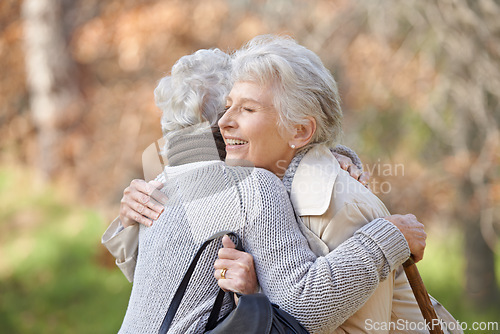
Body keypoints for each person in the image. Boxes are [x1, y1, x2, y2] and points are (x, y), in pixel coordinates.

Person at [103, 48, 425, 334]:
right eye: (230, 106)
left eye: (247, 108)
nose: (231, 120)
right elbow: (304, 309)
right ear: (218, 124)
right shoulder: (250, 186)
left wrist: (326, 154)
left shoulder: (162, 182)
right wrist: (390, 236)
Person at [213, 35, 457, 333]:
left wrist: (254, 299)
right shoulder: (264, 189)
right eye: (228, 106)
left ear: (300, 131)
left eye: (248, 110)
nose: (224, 120)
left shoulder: (340, 206)